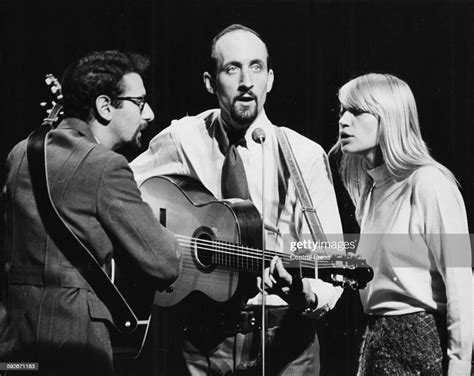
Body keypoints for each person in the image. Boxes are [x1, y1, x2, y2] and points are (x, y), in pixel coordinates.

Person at [131, 24, 343, 375]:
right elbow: (121, 192)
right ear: (209, 82)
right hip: (203, 342)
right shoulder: (183, 137)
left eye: (256, 67)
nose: (246, 80)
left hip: (286, 339)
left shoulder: (303, 154)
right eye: (232, 68)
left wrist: (303, 291)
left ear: (270, 79)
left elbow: (330, 253)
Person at [0, 50, 182, 375]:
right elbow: (164, 262)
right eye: (139, 103)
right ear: (105, 107)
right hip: (75, 344)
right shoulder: (106, 166)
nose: (150, 113)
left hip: (16, 343)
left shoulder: (19, 153)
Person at [330, 73, 472, 375]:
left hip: (421, 346)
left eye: (356, 111)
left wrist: (460, 365)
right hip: (376, 345)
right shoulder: (369, 193)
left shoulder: (430, 183)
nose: (343, 121)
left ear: (389, 117)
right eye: (342, 110)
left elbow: (461, 282)